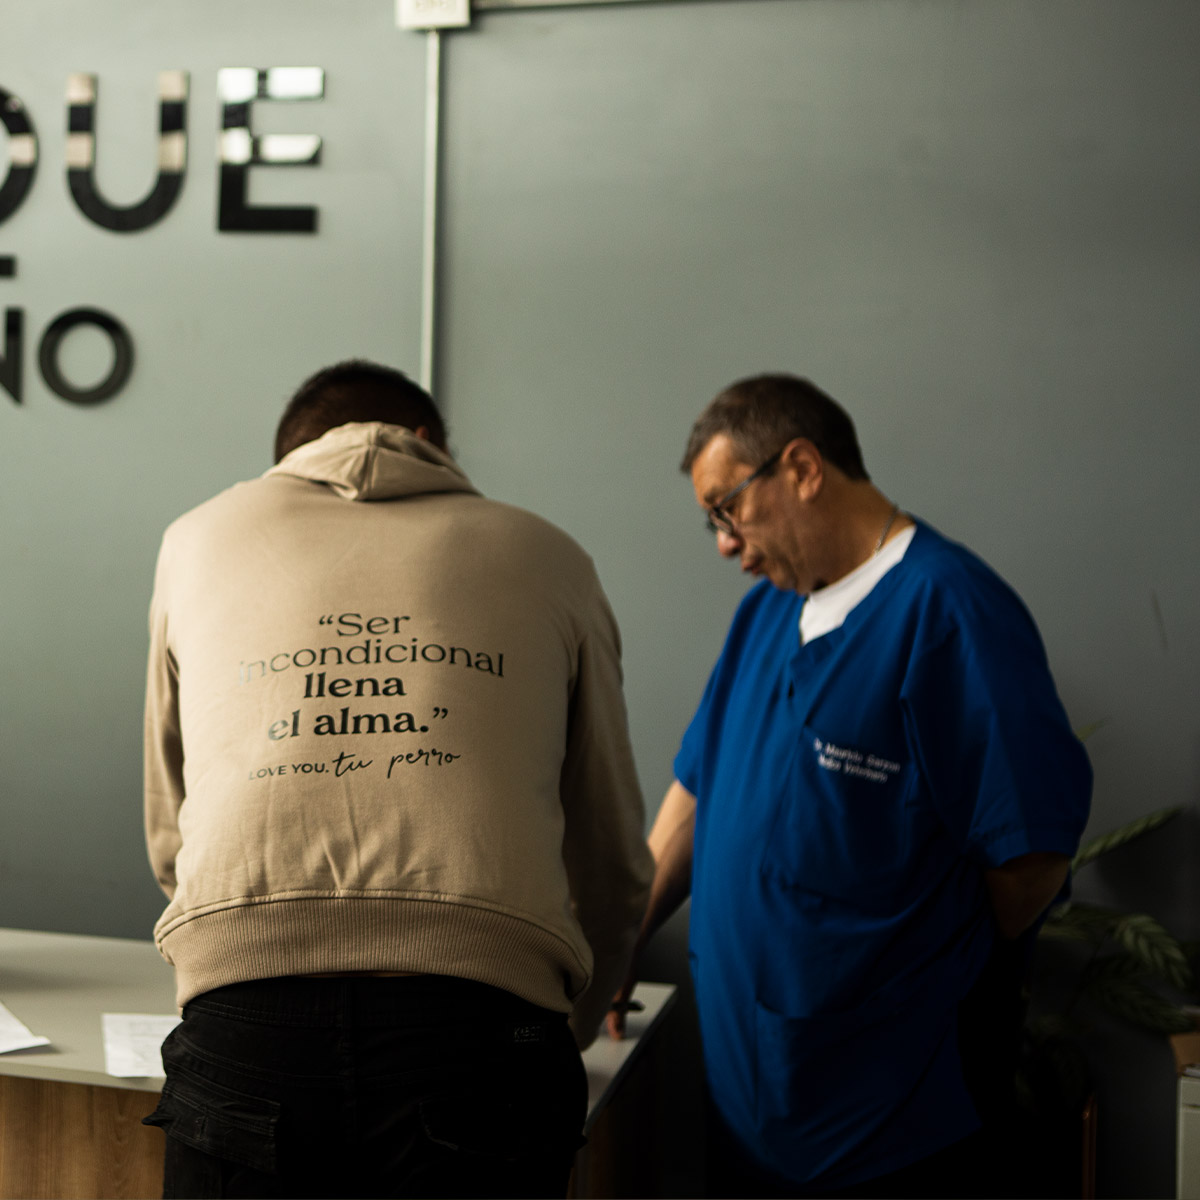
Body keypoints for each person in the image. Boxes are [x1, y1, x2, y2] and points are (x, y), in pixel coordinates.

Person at [142, 360, 652, 1199]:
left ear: (291, 459)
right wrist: (571, 1012)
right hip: (481, 1028)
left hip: (247, 1021)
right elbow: (611, 851)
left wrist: (241, 948)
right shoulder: (550, 553)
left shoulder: (196, 539)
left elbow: (172, 822)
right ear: (428, 444)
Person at [609, 373, 1092, 1198]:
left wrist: (885, 976)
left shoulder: (951, 611)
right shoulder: (764, 615)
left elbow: (1029, 864)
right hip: (751, 1101)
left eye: (727, 508)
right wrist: (627, 935)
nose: (724, 543)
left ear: (802, 468)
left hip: (885, 1117)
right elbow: (697, 790)